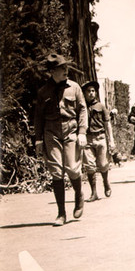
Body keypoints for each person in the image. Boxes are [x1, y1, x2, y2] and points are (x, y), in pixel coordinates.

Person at [34, 53, 87, 226]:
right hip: (51, 132)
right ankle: (61, 214)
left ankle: (79, 194)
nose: (66, 70)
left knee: (72, 168)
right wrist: (39, 140)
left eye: (66, 67)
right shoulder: (43, 92)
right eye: (62, 68)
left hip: (71, 130)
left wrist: (82, 132)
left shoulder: (74, 87)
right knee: (56, 171)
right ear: (52, 71)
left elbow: (83, 110)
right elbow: (39, 117)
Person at [81, 81, 115, 202]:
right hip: (87, 138)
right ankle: (94, 192)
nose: (91, 93)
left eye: (93, 91)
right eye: (88, 91)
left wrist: (111, 140)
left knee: (103, 164)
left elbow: (107, 124)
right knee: (89, 166)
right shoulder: (82, 107)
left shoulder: (101, 106)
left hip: (100, 137)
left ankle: (106, 183)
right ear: (84, 93)